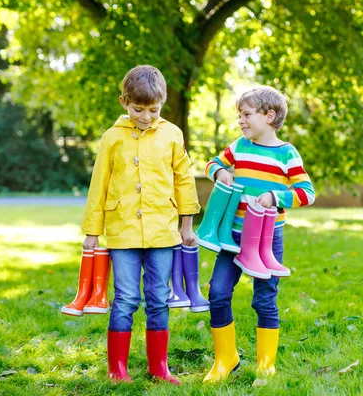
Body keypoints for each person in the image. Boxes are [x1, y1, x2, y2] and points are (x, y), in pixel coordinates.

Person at [80, 65, 200, 385]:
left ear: (161, 103)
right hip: (122, 233)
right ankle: (117, 369)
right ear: (124, 102)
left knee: (159, 298)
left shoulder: (172, 134)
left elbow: (184, 181)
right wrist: (92, 232)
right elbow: (99, 185)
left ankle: (158, 367)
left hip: (163, 231)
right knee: (126, 298)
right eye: (138, 109)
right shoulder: (111, 138)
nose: (146, 116)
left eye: (153, 109)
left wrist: (186, 225)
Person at [201, 86, 315, 382]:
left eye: (246, 114)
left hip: (266, 240)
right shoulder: (239, 146)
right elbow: (212, 163)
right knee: (218, 292)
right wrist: (219, 172)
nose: (241, 121)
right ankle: (226, 358)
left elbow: (307, 192)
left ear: (269, 115)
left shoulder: (287, 154)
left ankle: (266, 363)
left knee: (264, 299)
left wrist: (275, 197)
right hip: (232, 237)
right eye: (239, 115)